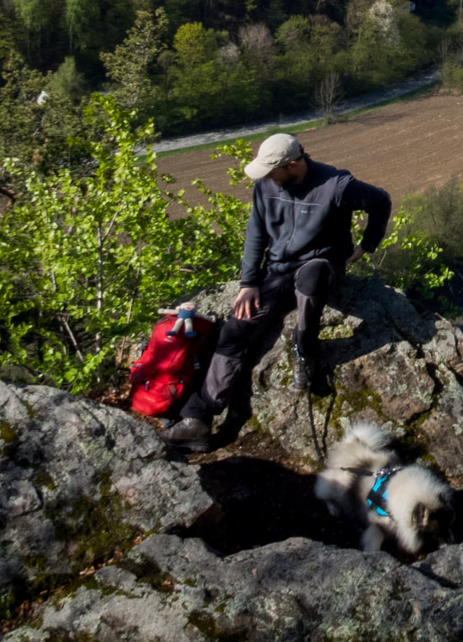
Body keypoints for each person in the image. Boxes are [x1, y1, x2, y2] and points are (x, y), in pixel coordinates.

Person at [161, 132, 391, 451]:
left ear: (293, 164)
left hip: (321, 264)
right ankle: (198, 420)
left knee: (312, 277)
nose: (267, 176)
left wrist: (367, 245)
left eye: (272, 170)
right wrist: (248, 283)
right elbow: (255, 233)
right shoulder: (266, 185)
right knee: (235, 330)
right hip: (276, 272)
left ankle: (306, 350)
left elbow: (380, 202)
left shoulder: (337, 186)